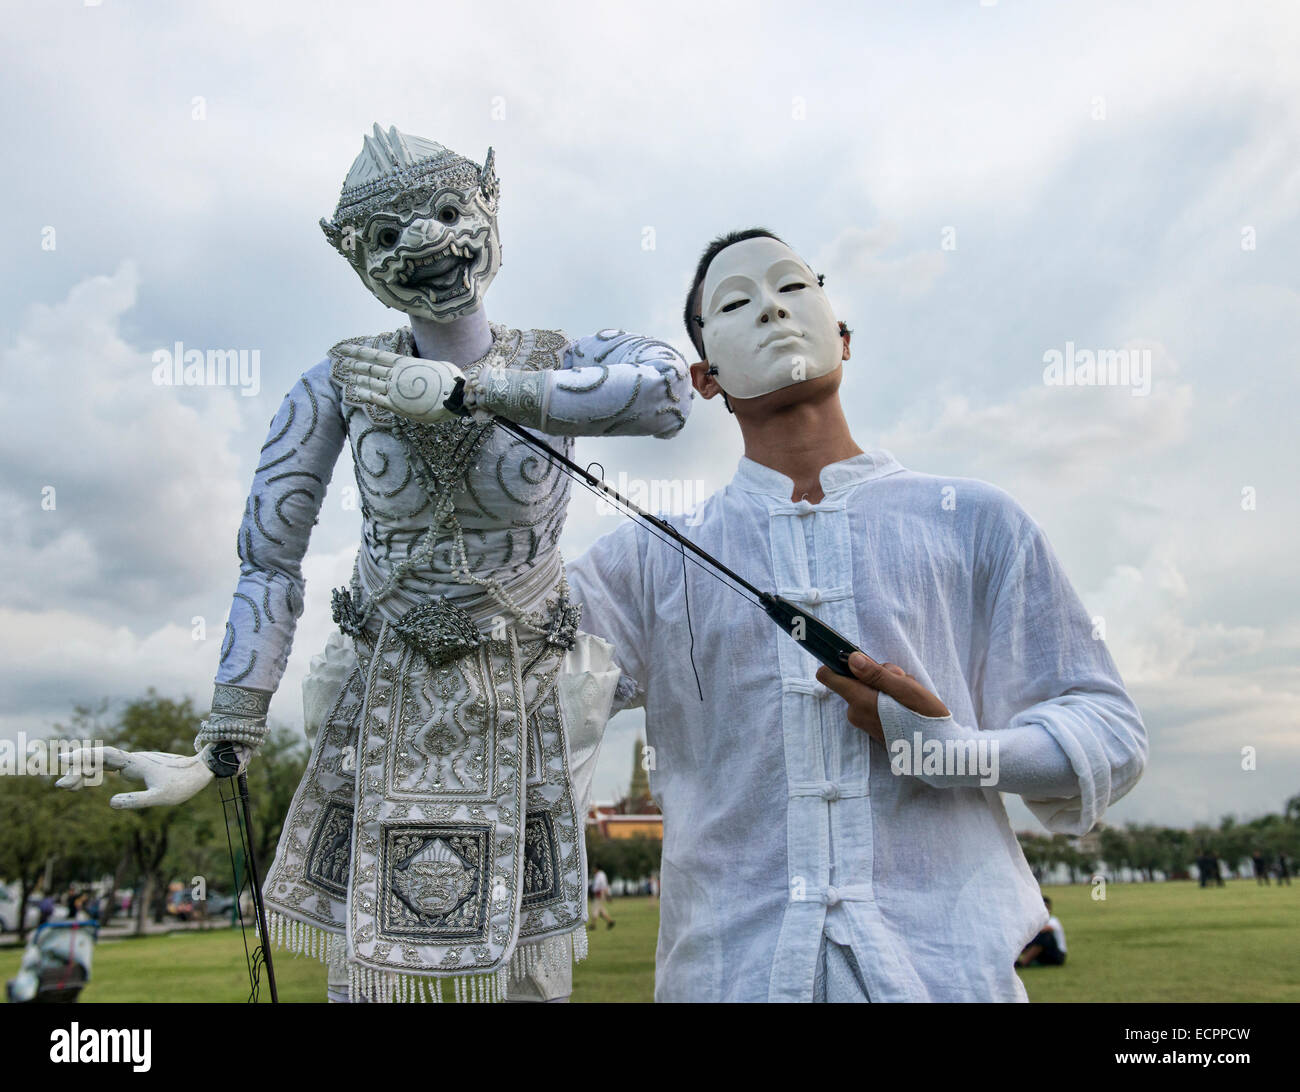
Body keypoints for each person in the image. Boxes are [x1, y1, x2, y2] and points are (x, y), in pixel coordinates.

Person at [57, 125, 692, 1004]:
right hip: (380, 689)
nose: (425, 244)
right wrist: (227, 731)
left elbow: (668, 394)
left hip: (529, 693)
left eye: (443, 212)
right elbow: (269, 560)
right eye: (388, 235)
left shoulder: (563, 357)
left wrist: (477, 392)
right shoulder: (336, 381)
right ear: (355, 258)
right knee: (369, 974)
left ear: (489, 207)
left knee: (525, 976)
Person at [565, 228, 1147, 1002]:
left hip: (945, 973)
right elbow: (500, 662)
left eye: (794, 287)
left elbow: (1111, 729)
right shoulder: (641, 561)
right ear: (706, 379)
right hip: (729, 976)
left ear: (842, 334)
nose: (772, 309)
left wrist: (954, 751)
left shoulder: (976, 520)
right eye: (735, 302)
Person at [1016, 896, 1067, 967]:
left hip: (1057, 955)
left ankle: (1023, 963)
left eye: (1047, 908)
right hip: (1044, 955)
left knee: (1044, 935)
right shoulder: (1035, 922)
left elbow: (1047, 929)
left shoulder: (1053, 920)